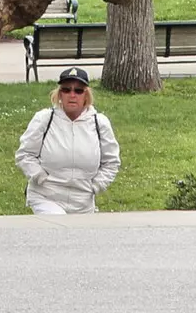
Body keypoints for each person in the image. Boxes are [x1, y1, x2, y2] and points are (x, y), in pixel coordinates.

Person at [15, 67, 120, 215]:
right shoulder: (44, 119)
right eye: (66, 90)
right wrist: (39, 176)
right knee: (58, 224)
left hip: (83, 201)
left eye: (78, 91)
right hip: (46, 196)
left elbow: (111, 162)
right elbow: (24, 155)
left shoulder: (100, 123)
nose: (72, 95)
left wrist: (96, 186)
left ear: (86, 95)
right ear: (59, 94)